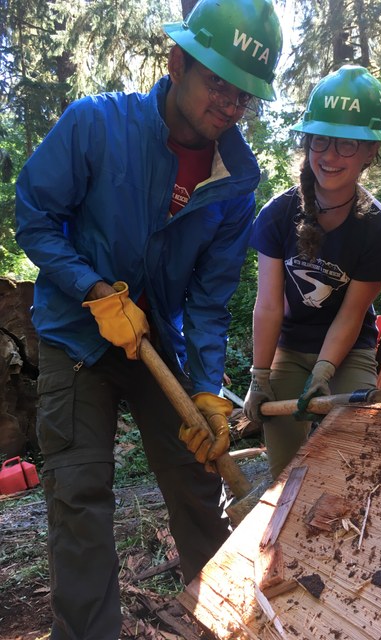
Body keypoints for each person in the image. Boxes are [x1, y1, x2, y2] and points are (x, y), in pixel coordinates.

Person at [15, 0, 282, 637]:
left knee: (196, 481)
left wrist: (207, 390)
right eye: (218, 80)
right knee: (79, 498)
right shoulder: (94, 125)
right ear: (177, 61)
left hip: (159, 343)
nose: (230, 102)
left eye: (244, 92)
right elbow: (34, 216)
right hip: (76, 339)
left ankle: (226, 623)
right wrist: (94, 289)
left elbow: (210, 301)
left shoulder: (236, 182)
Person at [243, 65, 381, 480]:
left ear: (370, 152)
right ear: (307, 141)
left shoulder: (379, 231)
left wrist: (326, 370)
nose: (330, 156)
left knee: (355, 456)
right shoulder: (276, 216)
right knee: (283, 468)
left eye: (347, 144)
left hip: (349, 351)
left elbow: (351, 316)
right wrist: (259, 377)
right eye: (321, 140)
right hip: (290, 349)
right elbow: (269, 305)